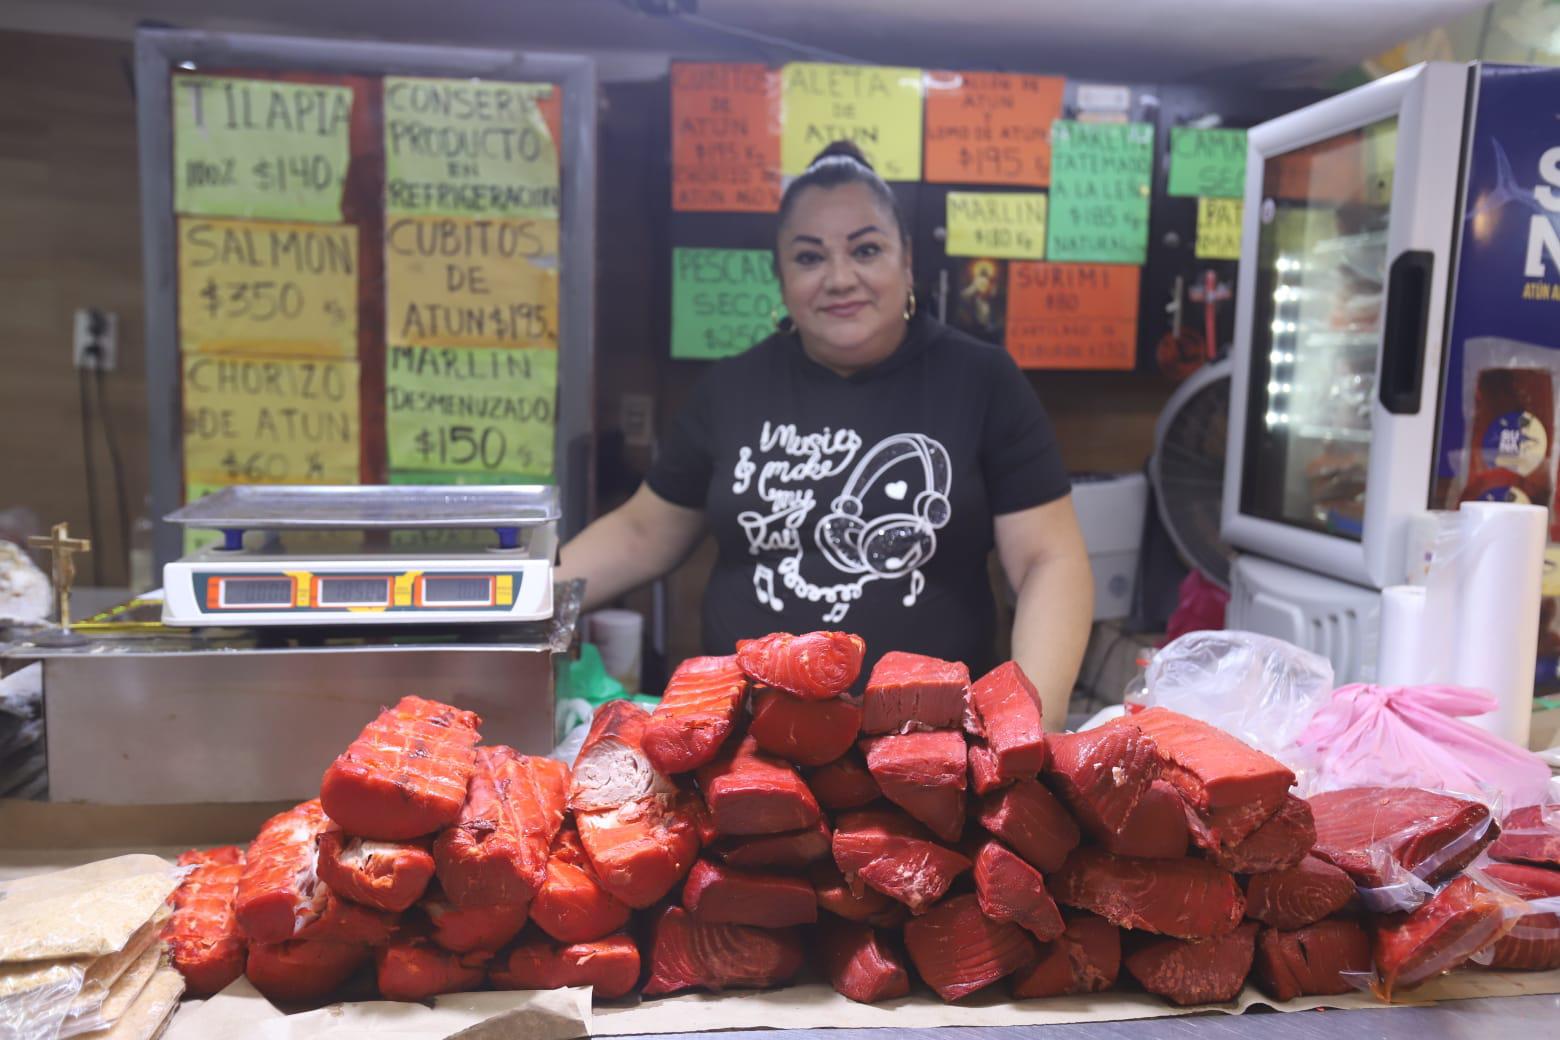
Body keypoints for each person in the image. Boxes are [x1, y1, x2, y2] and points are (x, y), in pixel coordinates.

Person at [559, 141, 1092, 728]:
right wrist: (522, 595)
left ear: (907, 261)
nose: (840, 278)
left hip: (930, 744)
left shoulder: (983, 380)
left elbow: (1048, 559)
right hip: (750, 743)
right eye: (810, 257)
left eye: (866, 250)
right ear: (782, 278)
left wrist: (1030, 725)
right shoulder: (731, 388)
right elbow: (642, 532)